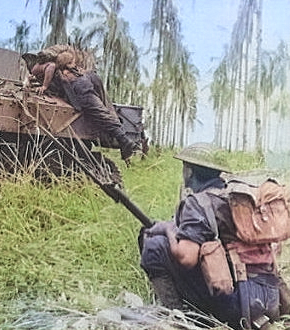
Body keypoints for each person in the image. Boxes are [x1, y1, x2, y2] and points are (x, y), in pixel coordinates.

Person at [139, 143, 290, 330]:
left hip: (239, 307)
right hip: (268, 302)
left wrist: (168, 230)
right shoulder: (234, 199)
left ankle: (176, 318)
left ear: (189, 171)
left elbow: (186, 258)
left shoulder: (199, 203)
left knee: (154, 246)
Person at [28, 50, 138, 162]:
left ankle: (124, 140)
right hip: (87, 79)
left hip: (80, 86)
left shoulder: (48, 66)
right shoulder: (66, 68)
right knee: (104, 110)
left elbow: (51, 69)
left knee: (99, 112)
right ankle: (123, 139)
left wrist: (44, 87)